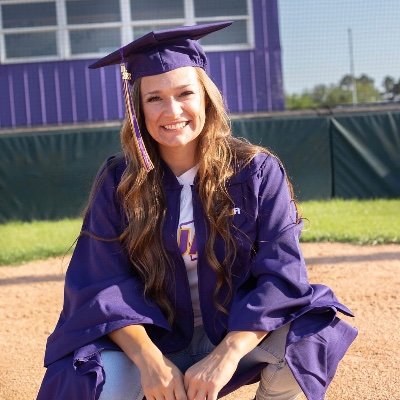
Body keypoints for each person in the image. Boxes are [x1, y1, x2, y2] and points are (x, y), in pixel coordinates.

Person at [37, 22, 357, 400]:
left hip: (234, 333)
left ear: (206, 97)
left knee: (309, 334)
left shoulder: (255, 172)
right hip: (156, 341)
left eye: (184, 93)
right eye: (154, 98)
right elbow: (101, 284)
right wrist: (151, 361)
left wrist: (226, 354)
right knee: (94, 378)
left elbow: (281, 275)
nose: (171, 110)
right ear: (138, 108)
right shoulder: (119, 181)